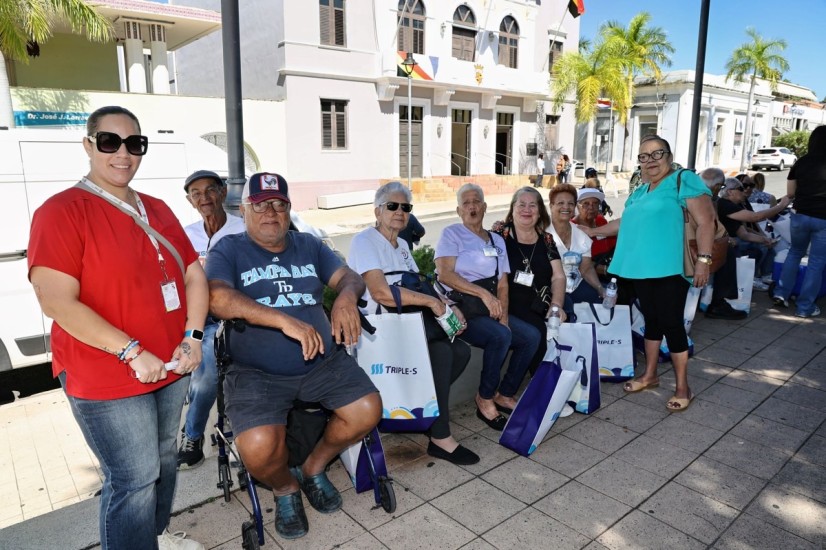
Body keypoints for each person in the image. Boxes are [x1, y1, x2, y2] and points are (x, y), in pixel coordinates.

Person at [27, 106, 208, 550]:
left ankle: (157, 536)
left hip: (168, 364)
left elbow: (194, 275)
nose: (122, 153)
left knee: (164, 461)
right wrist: (129, 350)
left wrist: (195, 336)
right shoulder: (63, 211)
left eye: (134, 143)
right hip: (105, 373)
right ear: (89, 145)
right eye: (109, 142)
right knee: (133, 477)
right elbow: (55, 301)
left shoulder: (158, 209)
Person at [206, 172, 382, 540]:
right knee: (256, 448)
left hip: (322, 362)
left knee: (367, 409)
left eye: (279, 204)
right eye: (261, 204)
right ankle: (285, 488)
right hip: (256, 371)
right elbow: (218, 299)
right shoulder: (229, 249)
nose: (271, 211)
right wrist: (284, 321)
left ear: (288, 210)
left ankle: (313, 468)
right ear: (244, 209)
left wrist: (346, 299)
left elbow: (350, 277)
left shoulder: (309, 245)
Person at [347, 182, 479, 465]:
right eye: (392, 206)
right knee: (441, 353)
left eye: (405, 207)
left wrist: (449, 305)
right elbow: (381, 293)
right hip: (381, 329)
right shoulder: (365, 241)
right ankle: (440, 437)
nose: (399, 212)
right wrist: (432, 304)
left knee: (462, 351)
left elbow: (423, 285)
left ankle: (421, 406)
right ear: (377, 211)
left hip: (410, 324)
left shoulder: (404, 245)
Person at [585, 135, 715, 412]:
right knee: (652, 321)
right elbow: (624, 223)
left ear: (668, 155)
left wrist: (703, 260)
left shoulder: (683, 179)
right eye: (644, 156)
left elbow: (706, 222)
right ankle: (650, 375)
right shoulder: (640, 191)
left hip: (670, 267)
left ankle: (683, 387)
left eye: (657, 154)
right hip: (640, 269)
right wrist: (594, 231)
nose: (651, 161)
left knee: (671, 323)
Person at [435, 184, 540, 431]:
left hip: (489, 307)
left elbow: (502, 284)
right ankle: (484, 396)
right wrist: (483, 294)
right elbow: (445, 274)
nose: (472, 207)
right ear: (459, 210)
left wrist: (502, 314)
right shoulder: (451, 234)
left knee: (530, 336)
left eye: (476, 202)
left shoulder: (496, 240)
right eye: (466, 203)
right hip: (464, 308)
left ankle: (505, 393)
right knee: (500, 335)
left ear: (484, 207)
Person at [177, 170, 246, 469]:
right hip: (201, 321)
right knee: (205, 376)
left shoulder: (242, 229)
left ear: (222, 192)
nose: (203, 198)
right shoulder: (184, 234)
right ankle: (193, 437)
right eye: (196, 193)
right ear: (190, 200)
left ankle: (237, 436)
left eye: (209, 191)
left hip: (236, 317)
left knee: (238, 375)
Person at [492, 187, 567, 376]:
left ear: (540, 210)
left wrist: (557, 305)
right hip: (510, 300)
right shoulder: (500, 234)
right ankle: (543, 386)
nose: (527, 209)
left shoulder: (547, 239)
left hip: (541, 300)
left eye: (532, 205)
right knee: (538, 329)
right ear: (513, 208)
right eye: (522, 204)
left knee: (568, 316)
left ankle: (564, 374)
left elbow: (558, 276)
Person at [773, 125, 826, 318]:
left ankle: (781, 293)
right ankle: (805, 307)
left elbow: (790, 193)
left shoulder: (801, 162)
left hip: (800, 214)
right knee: (816, 262)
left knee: (795, 253)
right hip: (823, 219)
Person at [717, 178, 790, 291]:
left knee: (765, 244)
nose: (745, 190)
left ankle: (766, 275)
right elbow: (755, 217)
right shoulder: (725, 204)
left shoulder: (735, 204)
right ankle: (753, 278)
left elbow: (743, 232)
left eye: (751, 185)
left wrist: (764, 239)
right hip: (725, 242)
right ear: (729, 191)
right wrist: (780, 206)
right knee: (760, 246)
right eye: (741, 188)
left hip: (733, 239)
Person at [546, 183, 605, 313]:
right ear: (551, 206)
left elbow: (586, 268)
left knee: (598, 306)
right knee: (568, 309)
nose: (566, 207)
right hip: (549, 287)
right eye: (560, 203)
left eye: (570, 203)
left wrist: (600, 288)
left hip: (575, 286)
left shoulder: (582, 235)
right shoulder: (541, 231)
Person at [698, 168, 745, 320]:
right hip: (691, 242)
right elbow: (708, 225)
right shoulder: (702, 197)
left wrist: (723, 236)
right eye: (721, 187)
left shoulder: (708, 197)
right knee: (726, 252)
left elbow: (715, 224)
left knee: (728, 247)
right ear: (717, 186)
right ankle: (718, 302)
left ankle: (717, 300)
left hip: (695, 239)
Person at [573, 187, 617, 283]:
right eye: (586, 204)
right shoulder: (572, 227)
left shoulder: (601, 221)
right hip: (584, 278)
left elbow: (612, 246)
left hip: (608, 271)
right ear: (577, 206)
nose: (591, 207)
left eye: (595, 203)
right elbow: (573, 262)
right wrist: (604, 269)